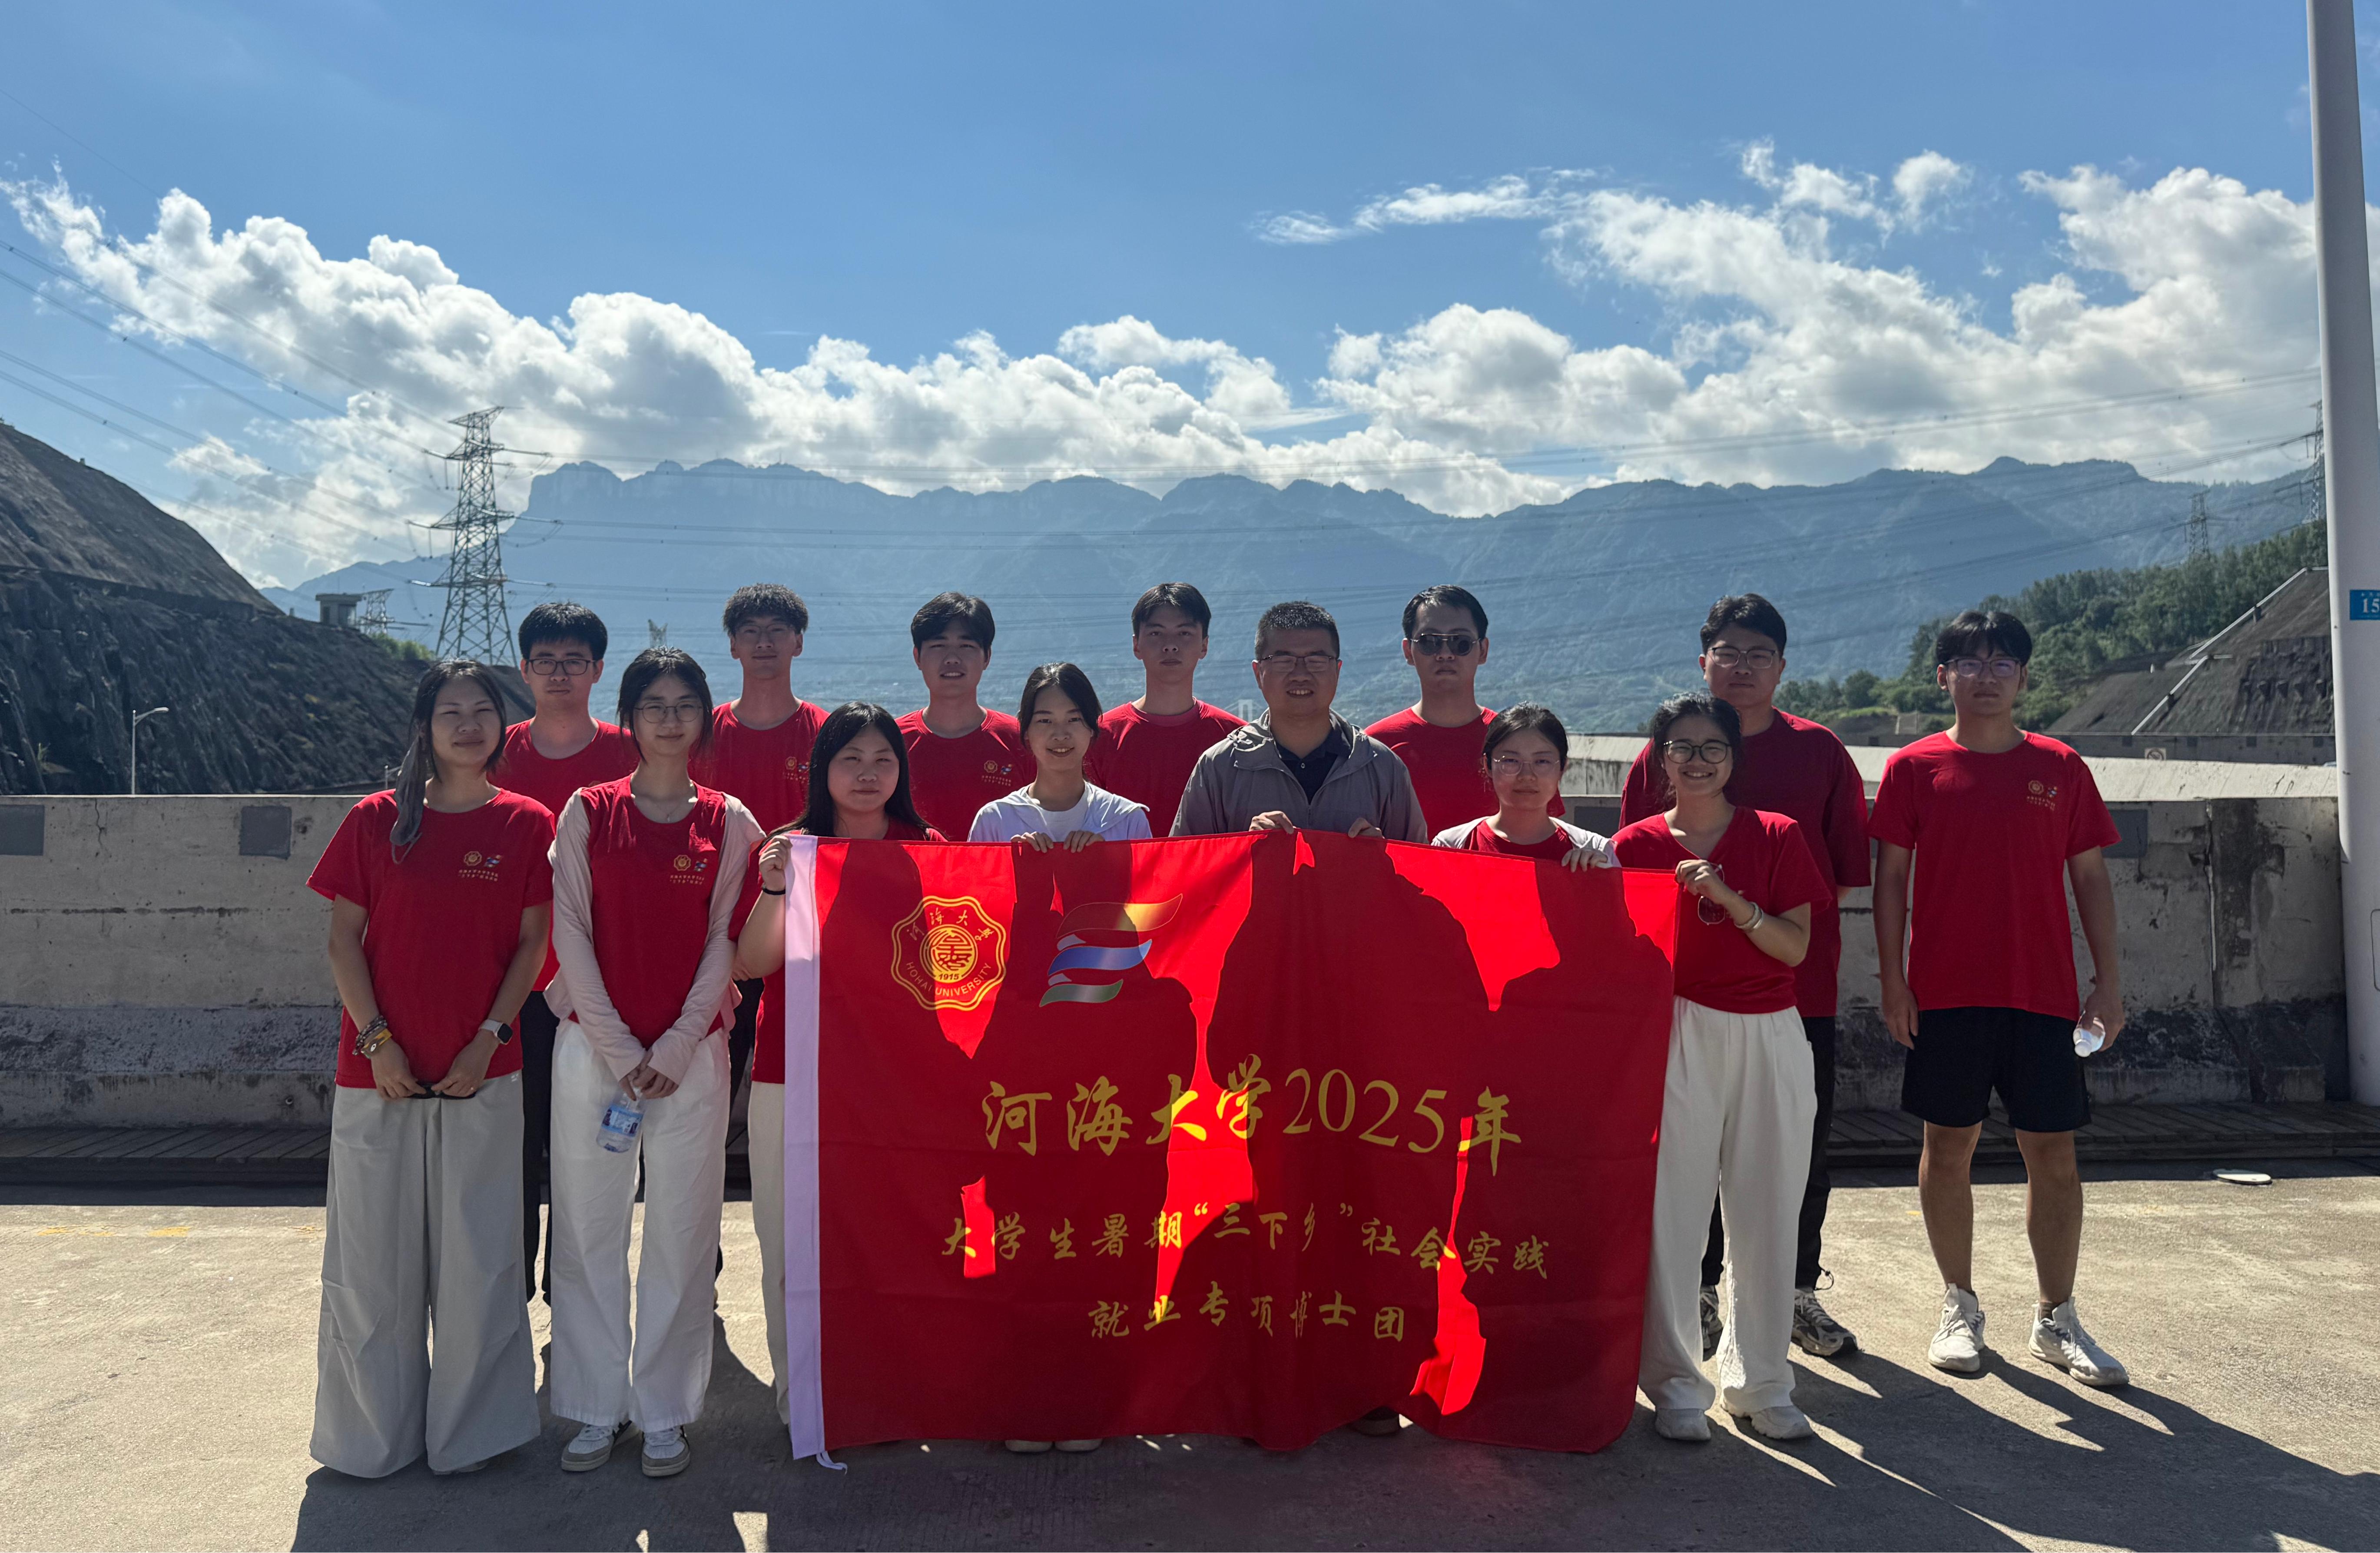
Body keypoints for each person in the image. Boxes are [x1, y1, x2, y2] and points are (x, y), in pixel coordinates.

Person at [305, 659, 551, 1477]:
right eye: (451, 711)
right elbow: (342, 941)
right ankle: (370, 1438)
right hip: (377, 1074)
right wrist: (378, 1042)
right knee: (371, 1265)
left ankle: (471, 1435)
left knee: (480, 1261)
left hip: (485, 1069)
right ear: (424, 726)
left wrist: (489, 1036)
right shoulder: (376, 819)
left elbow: (531, 943)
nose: (469, 725)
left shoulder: (526, 822)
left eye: (483, 710)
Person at [1870, 610, 2128, 1388]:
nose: (1985, 675)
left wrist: (2107, 982)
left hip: (2041, 992)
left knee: (2052, 1152)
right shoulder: (1913, 767)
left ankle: (2056, 1316)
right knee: (1946, 1146)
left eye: (2001, 662)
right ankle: (1958, 1304)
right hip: (1944, 992)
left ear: (2022, 677)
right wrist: (1891, 980)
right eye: (1969, 661)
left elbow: (2090, 878)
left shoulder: (2060, 766)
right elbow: (1890, 882)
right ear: (1941, 676)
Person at [1619, 594, 1870, 1361]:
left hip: (1792, 994)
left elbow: (1843, 876)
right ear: (1703, 661)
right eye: (1727, 652)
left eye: (1758, 653)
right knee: (1683, 1162)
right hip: (1680, 1004)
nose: (1741, 666)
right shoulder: (1659, 754)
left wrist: (1760, 926)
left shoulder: (1819, 751)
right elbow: (1632, 875)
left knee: (1797, 1157)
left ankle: (1793, 1294)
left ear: (1781, 666)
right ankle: (1696, 1296)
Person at [544, 647, 764, 1478]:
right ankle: (595, 1406)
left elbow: (724, 939)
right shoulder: (588, 810)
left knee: (682, 1229)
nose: (670, 718)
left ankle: (664, 1409)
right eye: (653, 704)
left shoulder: (730, 820)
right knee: (587, 1228)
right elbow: (570, 929)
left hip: (691, 1057)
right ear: (629, 717)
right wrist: (617, 1045)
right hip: (592, 1054)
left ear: (704, 715)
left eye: (684, 704)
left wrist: (674, 1043)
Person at [1613, 691, 1828, 1445]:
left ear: (1733, 758)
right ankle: (1676, 1382)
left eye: (1712, 746)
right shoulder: (1633, 844)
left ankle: (1761, 1381)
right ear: (1660, 759)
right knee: (1672, 1213)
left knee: (1767, 1208)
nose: (1697, 759)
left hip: (1769, 1031)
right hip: (1675, 1029)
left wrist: (1725, 896)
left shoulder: (1776, 833)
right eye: (1681, 746)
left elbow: (1793, 946)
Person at [731, 703, 943, 1437]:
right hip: (791, 1072)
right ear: (822, 769)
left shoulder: (928, 849)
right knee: (789, 1239)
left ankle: (888, 1393)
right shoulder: (788, 849)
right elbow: (749, 962)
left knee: (889, 1238)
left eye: (882, 759)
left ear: (900, 771)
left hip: (892, 1080)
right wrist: (774, 888)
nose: (866, 773)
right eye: (850, 758)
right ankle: (806, 1400)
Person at [492, 601, 639, 1304]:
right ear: (523, 669)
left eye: (574, 660)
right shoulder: (492, 751)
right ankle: (508, 1288)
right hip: (510, 983)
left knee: (589, 1153)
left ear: (598, 670)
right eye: (545, 661)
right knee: (511, 1146)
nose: (559, 674)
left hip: (600, 991)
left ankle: (573, 1293)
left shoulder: (630, 753)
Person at [689, 584, 828, 1259]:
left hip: (810, 953)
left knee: (810, 1109)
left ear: (799, 641)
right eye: (751, 630)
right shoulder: (703, 734)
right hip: (716, 948)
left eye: (778, 629)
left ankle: (815, 1251)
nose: (765, 641)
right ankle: (702, 1260)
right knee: (704, 1112)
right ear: (733, 645)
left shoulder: (829, 735)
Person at [1172, 600, 1428, 846]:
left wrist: (1383, 859)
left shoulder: (1381, 767)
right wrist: (1242, 849)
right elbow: (1182, 868)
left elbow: (1421, 869)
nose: (1301, 674)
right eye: (1284, 661)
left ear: (1337, 671)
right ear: (1258, 673)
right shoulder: (1220, 767)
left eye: (1316, 661)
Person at [1368, 584, 1562, 836]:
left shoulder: (1518, 742)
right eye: (1429, 642)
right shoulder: (1376, 747)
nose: (1445, 654)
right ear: (1409, 651)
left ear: (1483, 650)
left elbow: (1550, 837)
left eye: (1460, 643)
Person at [1086, 583, 1244, 836]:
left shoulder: (1235, 739)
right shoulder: (1098, 738)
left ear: (1204, 645)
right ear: (1137, 645)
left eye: (1184, 633)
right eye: (1156, 633)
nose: (1170, 645)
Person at [971, 663, 1153, 850]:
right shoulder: (994, 820)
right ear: (1026, 731)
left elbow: (1146, 871)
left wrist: (1107, 860)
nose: (1060, 735)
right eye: (1045, 721)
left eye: (1074, 719)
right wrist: (1010, 863)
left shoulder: (1126, 819)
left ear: (1092, 728)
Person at [898, 591, 1034, 839]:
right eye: (938, 646)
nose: (952, 659)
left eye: (966, 646)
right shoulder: (892, 743)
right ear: (917, 657)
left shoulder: (1021, 740)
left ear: (987, 657)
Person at [1430, 703, 1613, 867]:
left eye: (1542, 762)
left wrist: (1602, 878)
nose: (1527, 776)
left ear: (1563, 768)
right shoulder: (1451, 848)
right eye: (1511, 761)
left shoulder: (1595, 851)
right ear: (1488, 765)